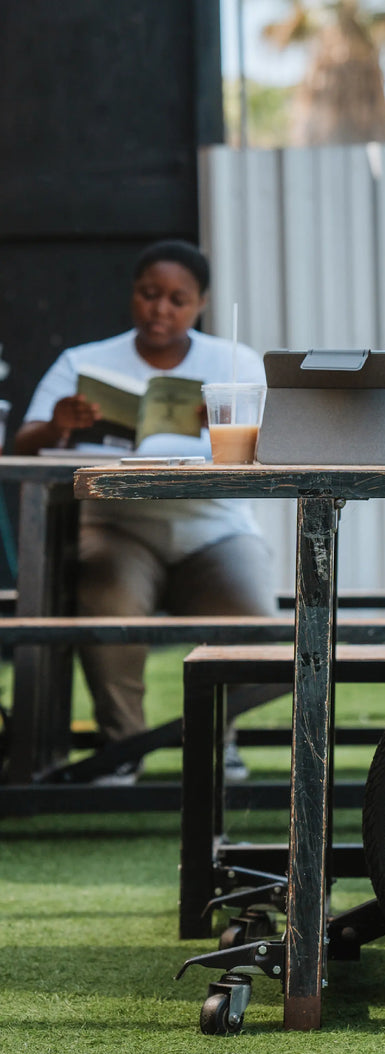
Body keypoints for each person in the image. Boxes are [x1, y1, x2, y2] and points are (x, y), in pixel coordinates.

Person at [14, 239, 275, 782]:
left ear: (200, 303)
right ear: (132, 294)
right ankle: (122, 748)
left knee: (255, 622)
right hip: (116, 526)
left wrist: (223, 420)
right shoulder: (84, 362)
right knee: (108, 601)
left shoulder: (233, 362)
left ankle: (216, 740)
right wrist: (62, 422)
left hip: (214, 525)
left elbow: (277, 445)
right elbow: (21, 445)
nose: (161, 308)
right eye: (149, 294)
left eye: (177, 299)